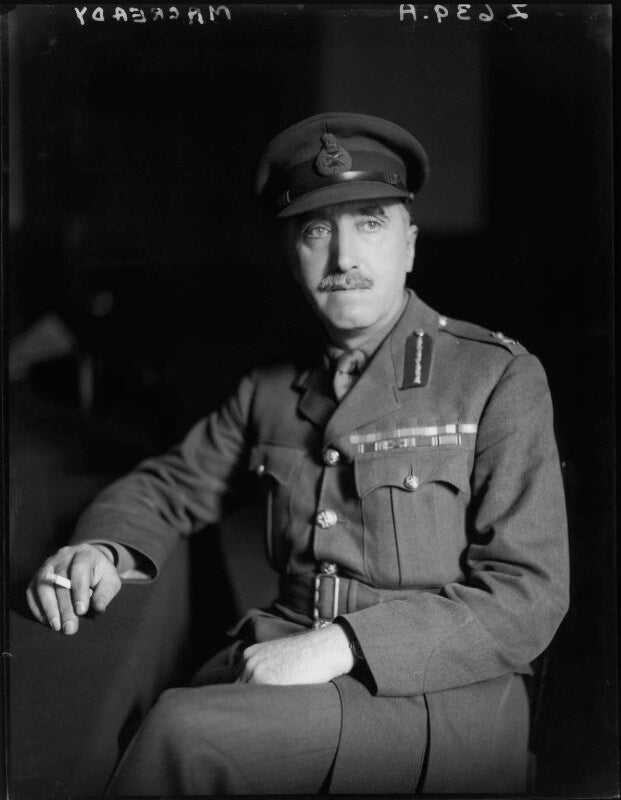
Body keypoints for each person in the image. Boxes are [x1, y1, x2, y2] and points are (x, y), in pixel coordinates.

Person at [26, 111, 569, 795]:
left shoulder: (493, 377)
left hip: (431, 698)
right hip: (287, 660)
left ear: (409, 244)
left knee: (184, 735)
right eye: (316, 231)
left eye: (370, 223)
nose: (343, 258)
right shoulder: (271, 389)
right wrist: (102, 549)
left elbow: (529, 594)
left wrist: (342, 644)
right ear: (292, 255)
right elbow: (168, 486)